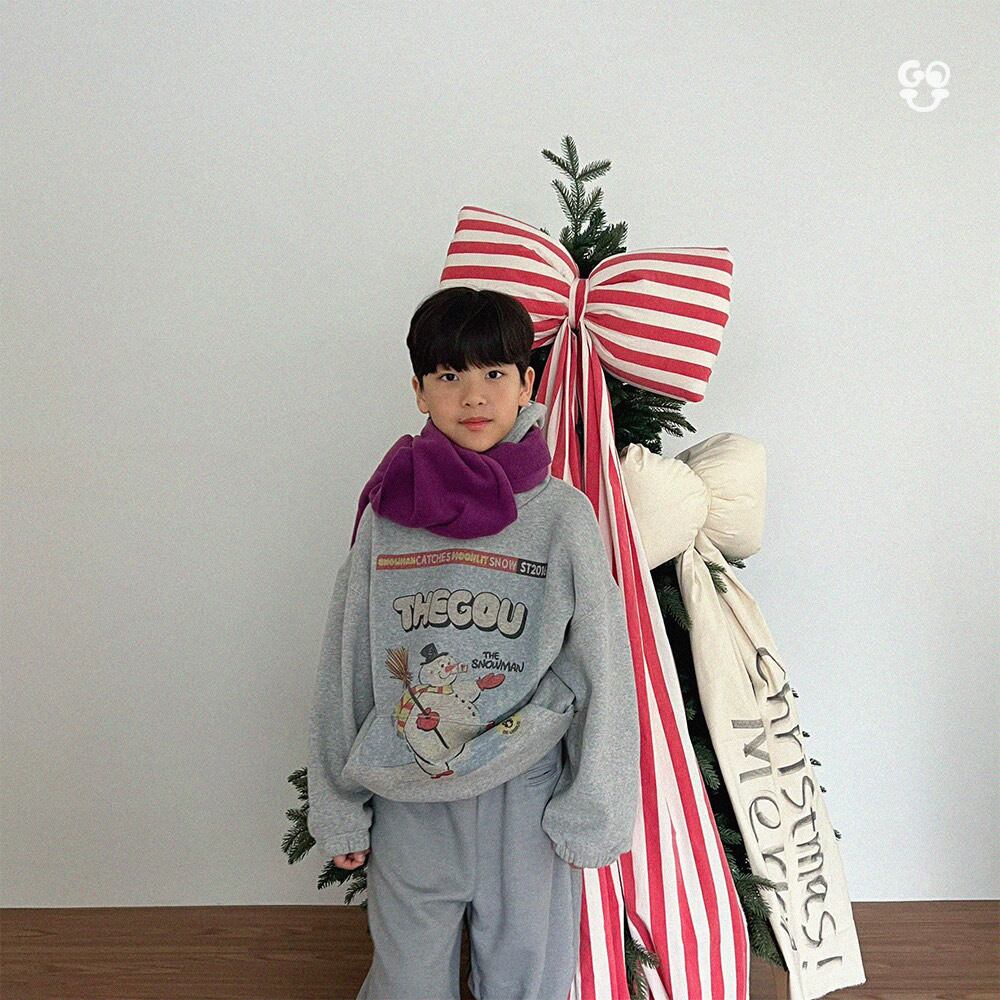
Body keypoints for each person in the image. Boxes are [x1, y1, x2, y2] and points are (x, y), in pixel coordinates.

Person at [307, 285, 641, 1000]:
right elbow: (349, 659)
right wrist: (338, 805)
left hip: (526, 801)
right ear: (420, 391)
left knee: (529, 982)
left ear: (527, 383)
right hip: (410, 799)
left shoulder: (562, 516)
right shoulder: (390, 515)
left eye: (494, 372)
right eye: (449, 375)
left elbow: (602, 666)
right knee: (406, 983)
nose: (474, 395)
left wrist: (594, 809)